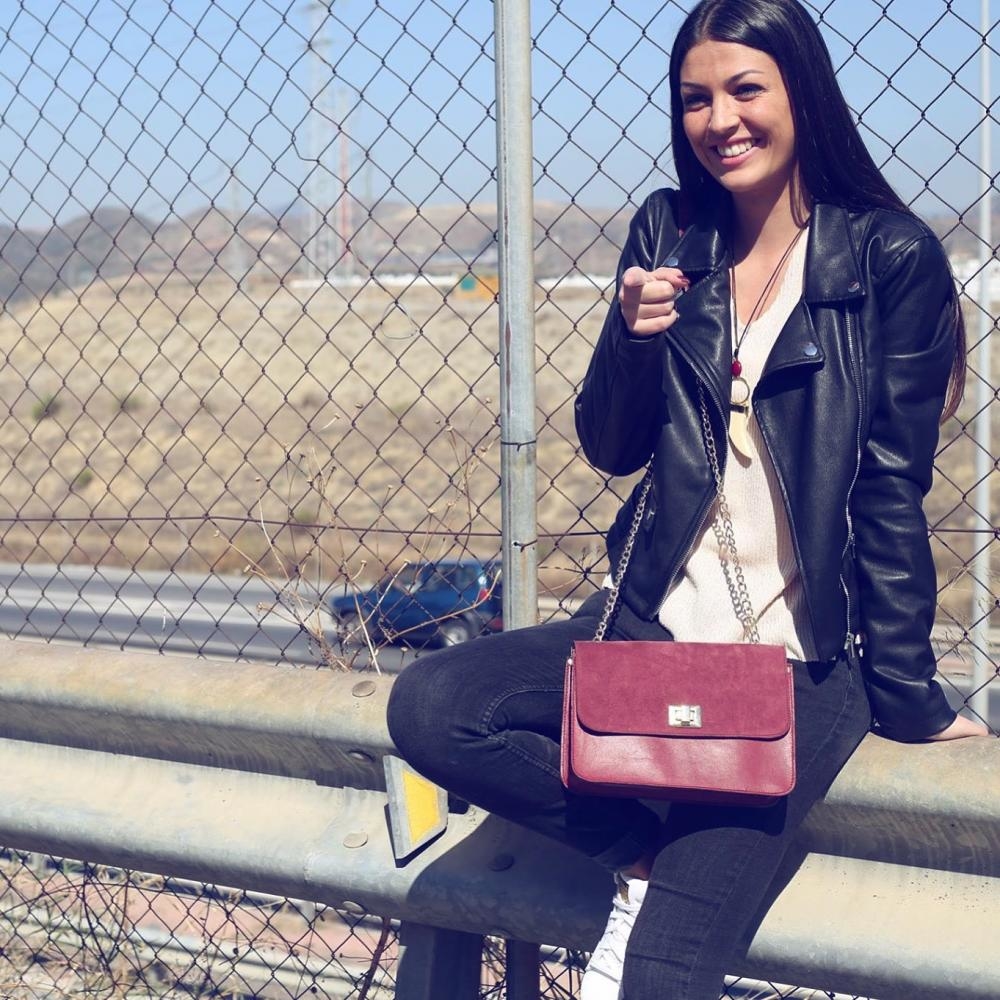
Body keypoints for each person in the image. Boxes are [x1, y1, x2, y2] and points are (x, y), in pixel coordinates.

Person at [387, 0, 990, 996]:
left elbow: (890, 490)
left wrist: (912, 694)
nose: (720, 120)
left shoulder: (889, 258)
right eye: (696, 99)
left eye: (745, 89)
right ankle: (637, 855)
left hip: (799, 663)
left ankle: (662, 886)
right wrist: (632, 338)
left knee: (662, 972)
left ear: (803, 92)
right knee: (436, 706)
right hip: (653, 626)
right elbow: (610, 444)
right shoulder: (670, 230)